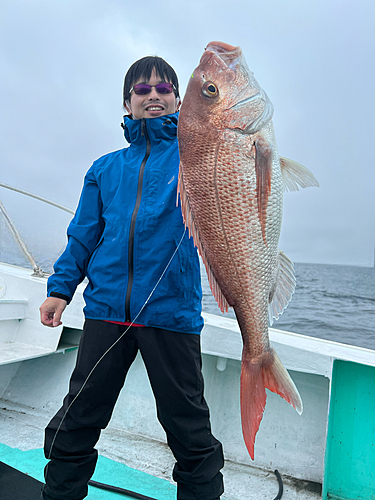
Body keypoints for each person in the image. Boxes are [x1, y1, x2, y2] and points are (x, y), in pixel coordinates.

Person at [39, 55, 224, 500]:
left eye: (163, 89)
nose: (153, 96)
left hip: (170, 314)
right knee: (77, 418)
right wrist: (61, 289)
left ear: (179, 99)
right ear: (128, 102)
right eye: (143, 90)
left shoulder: (197, 158)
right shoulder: (104, 168)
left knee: (188, 428)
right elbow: (84, 235)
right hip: (106, 312)